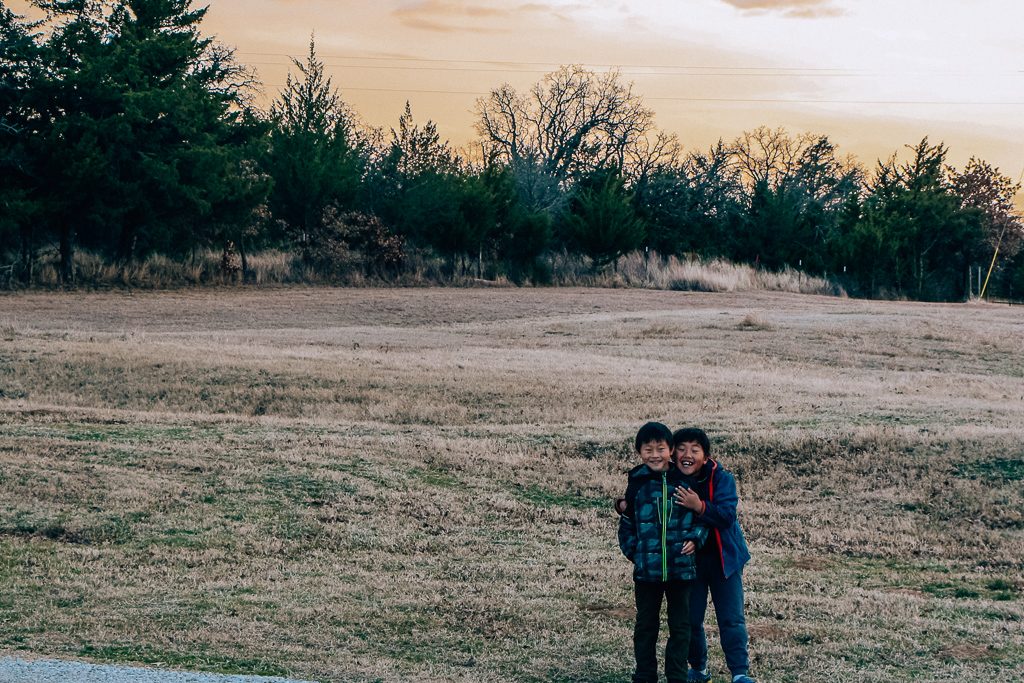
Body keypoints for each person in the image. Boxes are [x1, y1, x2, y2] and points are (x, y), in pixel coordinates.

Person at [617, 422, 709, 683]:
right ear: (639, 452)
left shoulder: (685, 481)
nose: (655, 454)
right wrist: (636, 553)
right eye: (648, 449)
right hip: (647, 571)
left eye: (661, 448)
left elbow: (702, 520)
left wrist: (696, 539)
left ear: (671, 451)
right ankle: (645, 675)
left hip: (681, 570)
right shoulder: (637, 483)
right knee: (646, 626)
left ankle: (677, 677)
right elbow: (626, 523)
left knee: (680, 628)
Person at [672, 427, 755, 683]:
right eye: (682, 449)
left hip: (724, 559)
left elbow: (727, 516)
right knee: (691, 620)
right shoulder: (670, 478)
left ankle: (739, 674)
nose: (687, 455)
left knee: (731, 619)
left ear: (706, 457)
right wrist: (623, 504)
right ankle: (699, 669)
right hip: (690, 561)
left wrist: (699, 506)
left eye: (694, 450)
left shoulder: (722, 478)